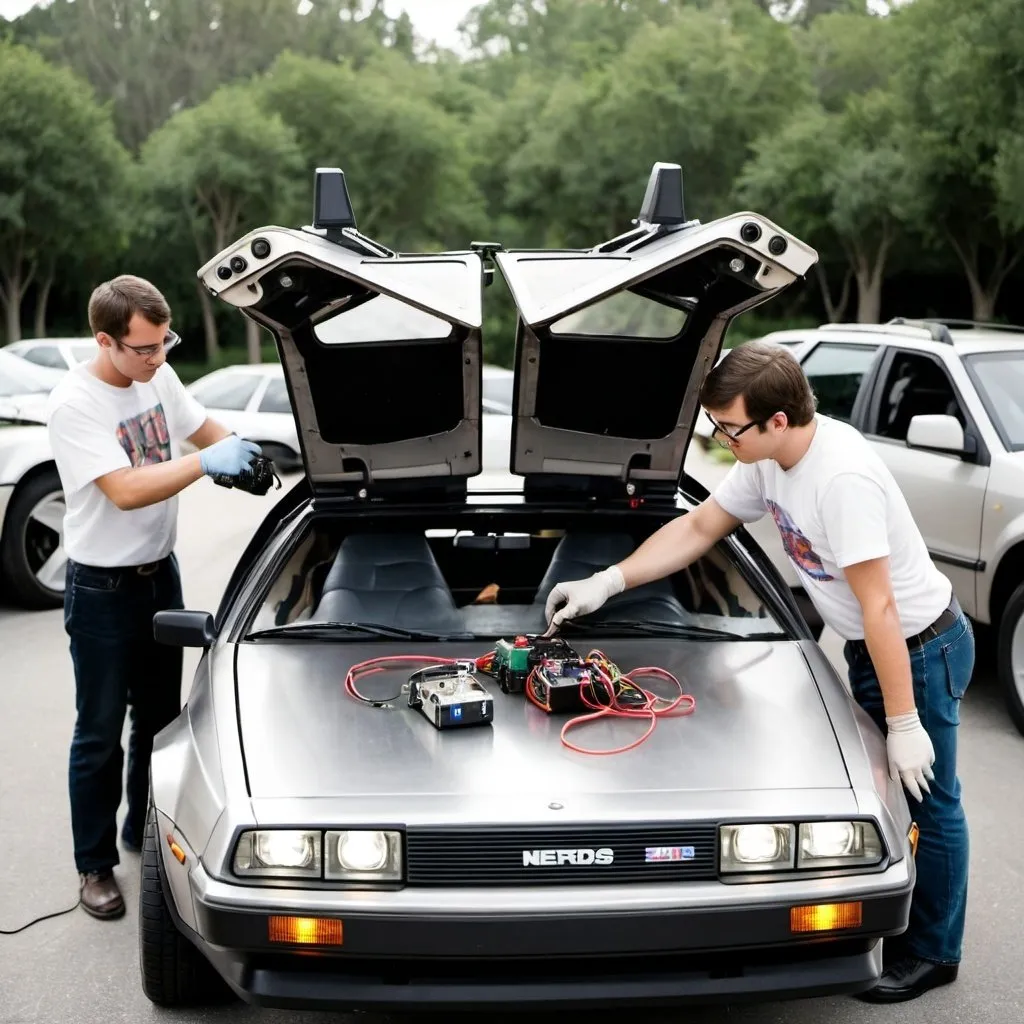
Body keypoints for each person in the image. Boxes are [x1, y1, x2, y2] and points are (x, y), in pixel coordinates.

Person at [544, 341, 973, 1004]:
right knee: (906, 791)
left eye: (729, 427)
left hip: (921, 648)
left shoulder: (841, 479)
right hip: (877, 644)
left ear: (778, 420)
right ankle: (916, 924)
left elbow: (881, 606)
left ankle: (933, 954)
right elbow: (701, 527)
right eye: (715, 425)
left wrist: (905, 719)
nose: (720, 439)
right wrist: (609, 580)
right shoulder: (768, 462)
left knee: (933, 800)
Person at [46, 275, 263, 920]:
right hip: (102, 589)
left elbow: (204, 430)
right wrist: (205, 466)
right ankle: (94, 868)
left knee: (158, 722)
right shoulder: (74, 404)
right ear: (105, 341)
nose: (158, 357)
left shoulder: (157, 375)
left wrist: (240, 456)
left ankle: (141, 828)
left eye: (165, 341)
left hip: (157, 577)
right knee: (99, 732)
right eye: (144, 348)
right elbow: (126, 490)